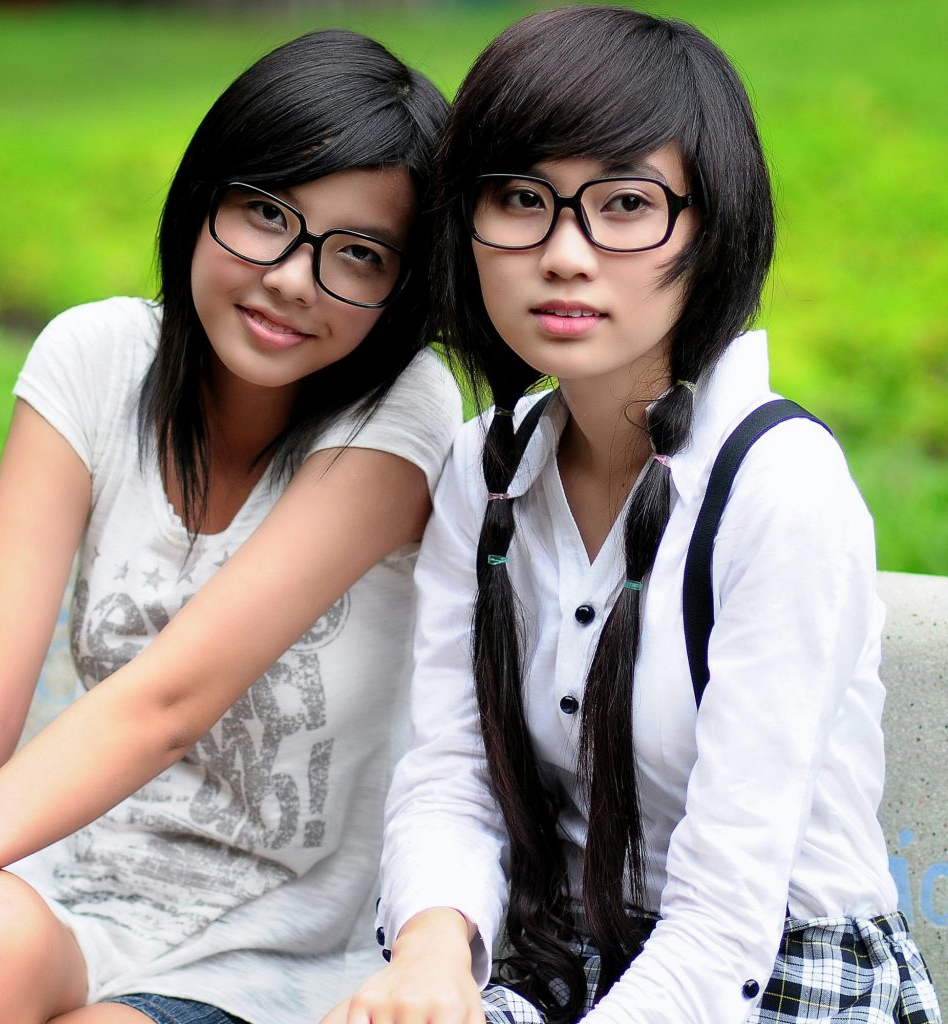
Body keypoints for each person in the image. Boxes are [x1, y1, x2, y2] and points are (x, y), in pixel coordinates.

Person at [330, 7, 942, 1024]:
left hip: (772, 979)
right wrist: (433, 956)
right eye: (520, 199)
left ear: (711, 229)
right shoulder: (482, 468)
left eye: (624, 205)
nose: (564, 254)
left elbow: (722, 922)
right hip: (556, 958)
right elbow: (449, 773)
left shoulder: (776, 486)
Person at [0, 29, 460, 1024]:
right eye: (265, 213)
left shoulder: (403, 414)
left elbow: (169, 698)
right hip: (71, 886)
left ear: (402, 289)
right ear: (201, 199)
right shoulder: (92, 359)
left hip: (267, 942)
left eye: (357, 253)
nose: (295, 278)